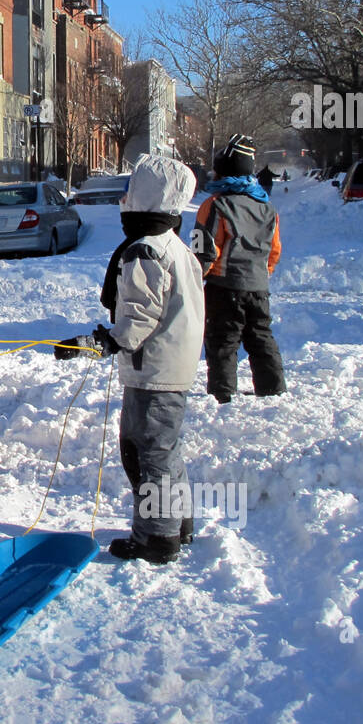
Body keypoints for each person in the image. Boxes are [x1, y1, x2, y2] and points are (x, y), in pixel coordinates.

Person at [95, 155, 204, 564]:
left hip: (153, 368)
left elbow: (141, 314)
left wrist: (109, 340)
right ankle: (178, 523)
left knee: (145, 452)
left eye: (130, 191)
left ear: (145, 198)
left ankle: (156, 538)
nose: (124, 199)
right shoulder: (174, 243)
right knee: (164, 450)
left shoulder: (144, 250)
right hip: (173, 364)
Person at [193, 134, 286, 403]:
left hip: (224, 286)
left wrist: (197, 278)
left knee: (222, 342)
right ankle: (273, 390)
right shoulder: (267, 207)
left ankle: (222, 395)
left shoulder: (215, 205)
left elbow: (206, 251)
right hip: (258, 286)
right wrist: (262, 272)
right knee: (261, 338)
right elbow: (274, 250)